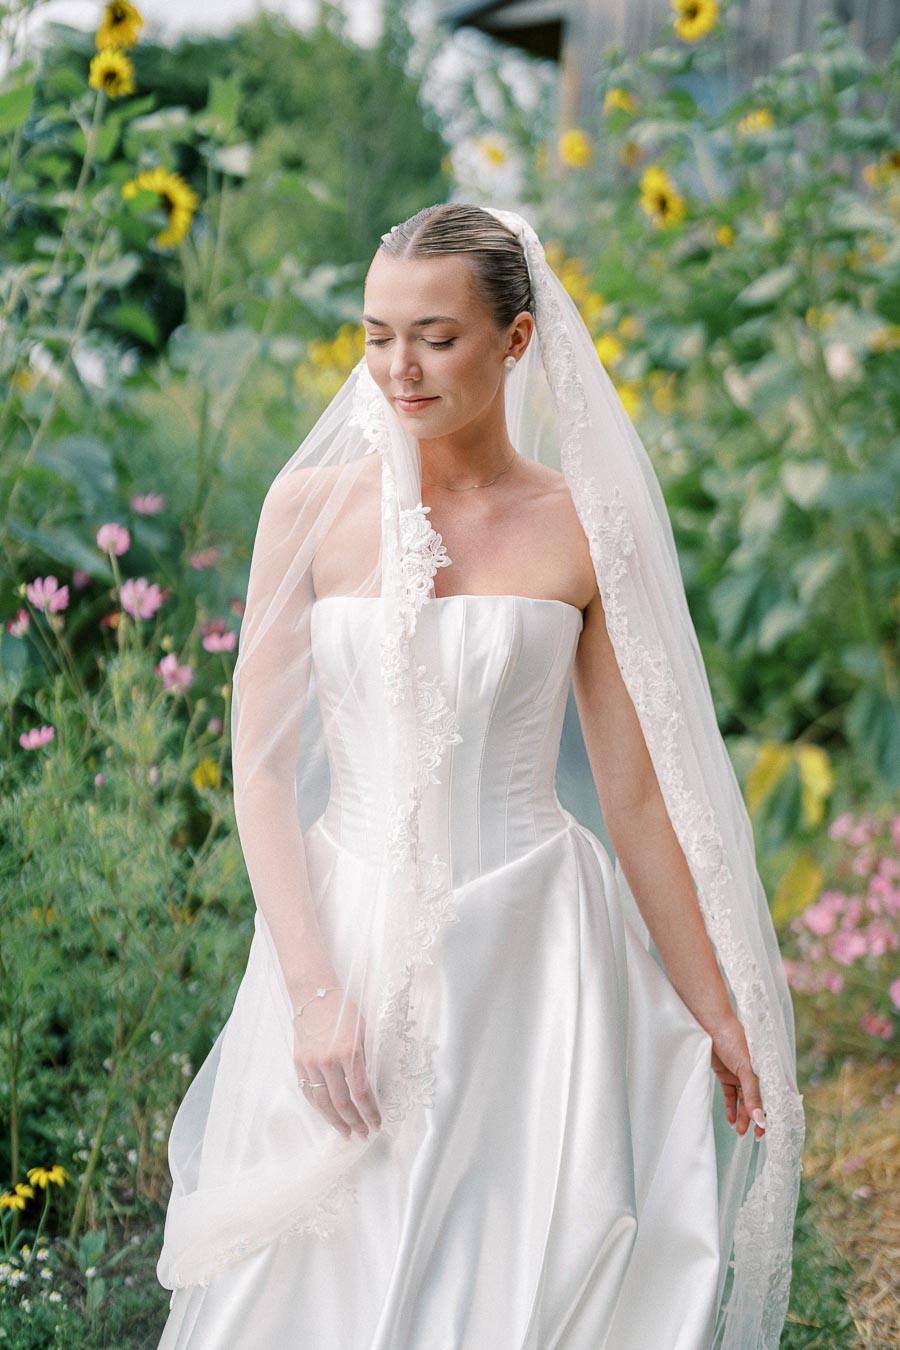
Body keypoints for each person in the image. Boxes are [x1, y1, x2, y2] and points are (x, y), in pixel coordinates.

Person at [155, 203, 804, 1348]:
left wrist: (716, 1005)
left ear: (515, 342)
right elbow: (260, 775)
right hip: (342, 939)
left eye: (436, 336)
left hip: (536, 955)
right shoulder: (307, 512)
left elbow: (638, 799)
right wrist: (314, 993)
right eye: (376, 333)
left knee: (522, 1268)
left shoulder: (581, 527)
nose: (399, 368)